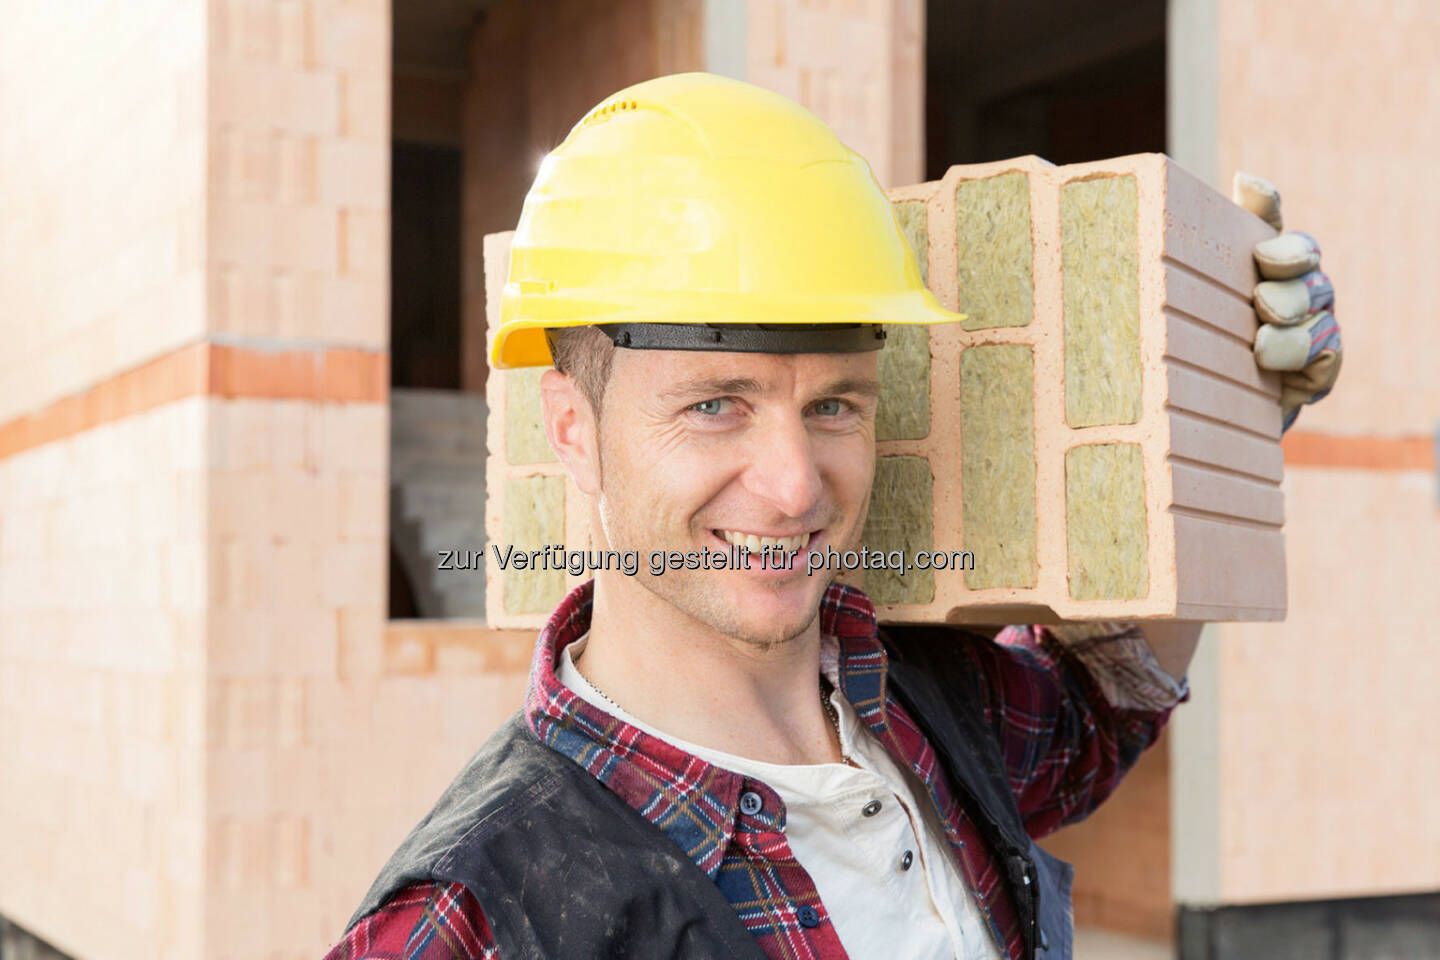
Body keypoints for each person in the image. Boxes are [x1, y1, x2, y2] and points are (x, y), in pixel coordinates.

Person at [325, 73, 1341, 960]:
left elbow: (1100, 708)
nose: (795, 486)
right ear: (573, 429)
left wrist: (1223, 415)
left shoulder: (919, 706)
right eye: (716, 403)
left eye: (833, 406)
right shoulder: (477, 921)